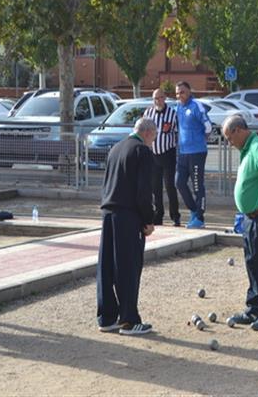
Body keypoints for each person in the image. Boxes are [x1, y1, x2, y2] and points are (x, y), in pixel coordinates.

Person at [96, 118, 157, 336]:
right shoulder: (142, 152)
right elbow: (144, 191)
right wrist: (148, 220)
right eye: (154, 137)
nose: (153, 142)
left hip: (108, 212)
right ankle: (129, 320)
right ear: (149, 133)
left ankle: (106, 316)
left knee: (106, 266)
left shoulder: (115, 149)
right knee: (128, 267)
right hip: (128, 215)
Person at [222, 115, 258, 332]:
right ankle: (254, 307)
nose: (229, 143)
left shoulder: (257, 146)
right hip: (251, 217)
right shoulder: (247, 148)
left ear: (239, 130)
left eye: (229, 138)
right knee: (252, 263)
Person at [174, 81, 212, 229]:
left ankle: (200, 218)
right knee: (179, 182)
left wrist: (202, 140)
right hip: (182, 152)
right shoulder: (178, 106)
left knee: (197, 186)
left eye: (182, 92)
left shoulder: (196, 105)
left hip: (197, 152)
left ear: (189, 91)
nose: (179, 95)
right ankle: (194, 210)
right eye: (177, 93)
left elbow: (208, 126)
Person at [143, 88, 180, 227]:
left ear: (165, 98)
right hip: (153, 154)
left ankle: (175, 216)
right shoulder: (148, 113)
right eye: (155, 98)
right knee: (155, 187)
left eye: (160, 98)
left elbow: (176, 133)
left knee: (170, 186)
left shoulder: (172, 114)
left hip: (168, 154)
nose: (158, 101)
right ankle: (158, 215)